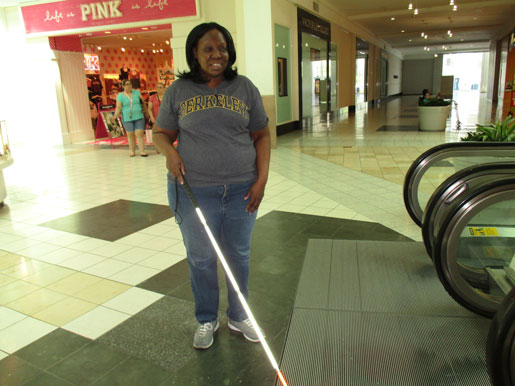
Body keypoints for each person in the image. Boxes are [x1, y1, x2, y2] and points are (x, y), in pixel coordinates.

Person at [152, 22, 271, 350]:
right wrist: (170, 152)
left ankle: (238, 315)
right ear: (195, 53)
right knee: (202, 258)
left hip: (241, 190)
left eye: (222, 48)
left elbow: (261, 135)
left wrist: (261, 180)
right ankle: (206, 319)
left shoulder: (244, 88)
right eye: (208, 49)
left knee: (239, 256)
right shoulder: (179, 90)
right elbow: (160, 133)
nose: (217, 55)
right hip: (193, 191)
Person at [112, 80, 149, 157]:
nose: (129, 86)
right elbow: (118, 107)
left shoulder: (136, 92)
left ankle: (142, 151)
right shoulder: (120, 95)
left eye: (130, 84)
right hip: (127, 117)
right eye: (127, 84)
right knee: (130, 134)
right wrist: (115, 116)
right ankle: (132, 151)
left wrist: (146, 111)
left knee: (139, 133)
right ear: (123, 86)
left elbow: (143, 102)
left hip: (139, 116)